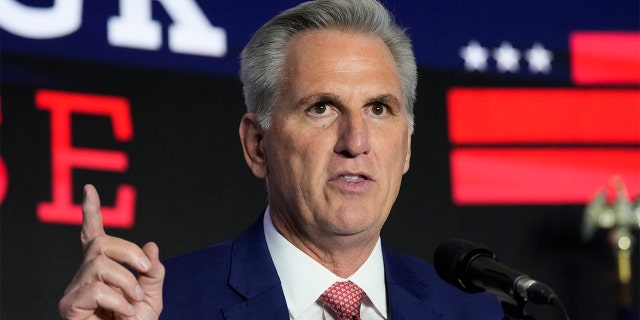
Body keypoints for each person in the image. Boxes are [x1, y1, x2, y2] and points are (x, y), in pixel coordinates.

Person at [59, 0, 503, 319]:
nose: (356, 141)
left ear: (406, 146)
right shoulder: (162, 306)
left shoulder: (470, 309)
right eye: (321, 108)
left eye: (379, 109)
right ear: (257, 145)